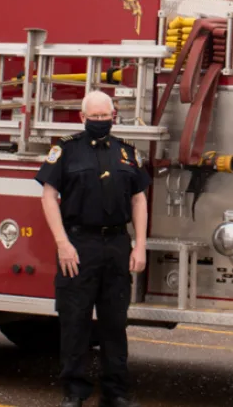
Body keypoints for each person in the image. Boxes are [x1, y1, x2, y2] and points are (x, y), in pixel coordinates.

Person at [35, 90, 149, 407]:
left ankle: (115, 393)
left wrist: (139, 245)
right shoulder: (66, 150)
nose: (100, 121)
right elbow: (48, 196)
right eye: (94, 117)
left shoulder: (128, 153)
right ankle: (75, 392)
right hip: (78, 244)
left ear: (114, 116)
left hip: (116, 244)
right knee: (75, 322)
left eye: (105, 116)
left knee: (115, 324)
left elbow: (139, 200)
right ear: (81, 118)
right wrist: (62, 243)